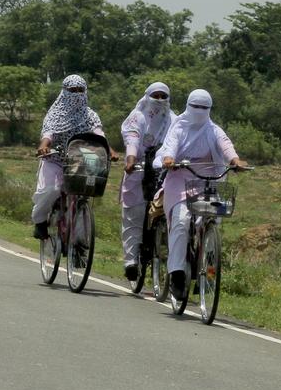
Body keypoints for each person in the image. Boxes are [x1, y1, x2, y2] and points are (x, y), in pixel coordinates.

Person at [158, 90, 249, 300]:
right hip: (181, 180)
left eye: (204, 108)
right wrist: (169, 159)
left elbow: (226, 145)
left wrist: (235, 161)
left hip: (209, 183)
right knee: (181, 222)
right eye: (196, 107)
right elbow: (170, 146)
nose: (199, 112)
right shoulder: (179, 128)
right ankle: (177, 274)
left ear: (209, 110)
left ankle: (208, 272)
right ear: (189, 106)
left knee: (212, 223)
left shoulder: (213, 130)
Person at [31, 75, 113, 239]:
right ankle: (40, 222)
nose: (76, 94)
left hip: (79, 162)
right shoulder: (54, 114)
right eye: (72, 90)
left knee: (81, 198)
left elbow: (98, 134)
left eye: (80, 90)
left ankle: (80, 245)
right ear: (64, 92)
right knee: (50, 191)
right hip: (55, 160)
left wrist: (108, 148)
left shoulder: (90, 116)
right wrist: (44, 146)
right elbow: (48, 133)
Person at [119, 82, 177, 280]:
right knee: (133, 214)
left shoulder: (173, 120)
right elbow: (132, 137)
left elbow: (177, 141)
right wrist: (131, 158)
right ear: (147, 96)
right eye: (156, 95)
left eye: (163, 96)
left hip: (162, 170)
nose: (159, 100)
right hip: (139, 167)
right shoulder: (138, 116)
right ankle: (130, 261)